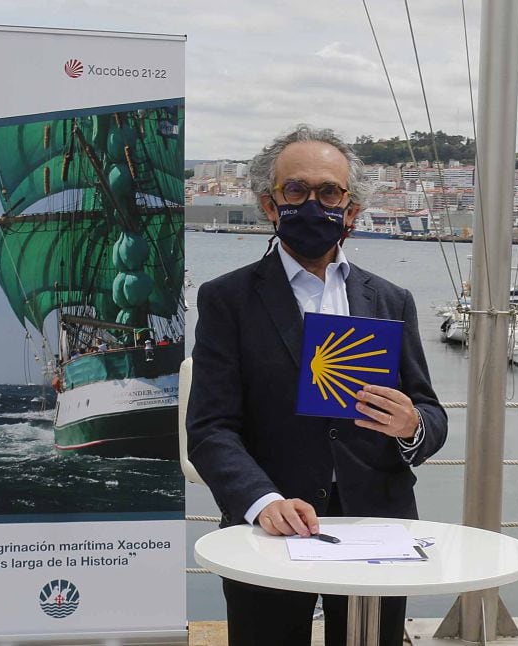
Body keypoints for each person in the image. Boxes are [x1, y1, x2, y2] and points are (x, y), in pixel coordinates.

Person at [186, 124, 448, 646]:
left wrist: (411, 424)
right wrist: (262, 501)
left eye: (329, 192)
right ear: (269, 204)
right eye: (296, 190)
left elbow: (430, 414)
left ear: (351, 210)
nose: (313, 203)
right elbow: (211, 428)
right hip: (268, 528)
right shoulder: (227, 299)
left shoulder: (391, 299)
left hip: (376, 527)